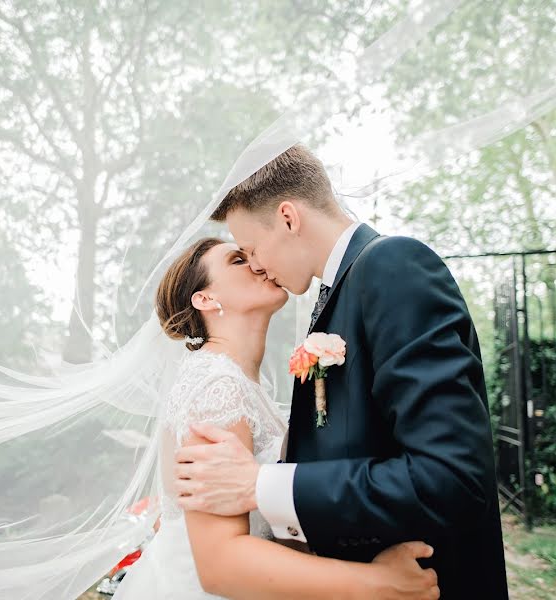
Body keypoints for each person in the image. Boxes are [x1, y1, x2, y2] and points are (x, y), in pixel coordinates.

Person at [172, 145, 509, 599]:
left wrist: (258, 484)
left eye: (250, 249)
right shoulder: (337, 298)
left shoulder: (392, 266)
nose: (255, 266)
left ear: (289, 218)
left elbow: (452, 478)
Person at [113, 236, 440, 599]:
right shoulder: (213, 385)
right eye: (238, 260)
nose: (256, 263)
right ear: (205, 299)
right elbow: (221, 563)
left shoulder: (243, 383)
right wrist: (376, 582)